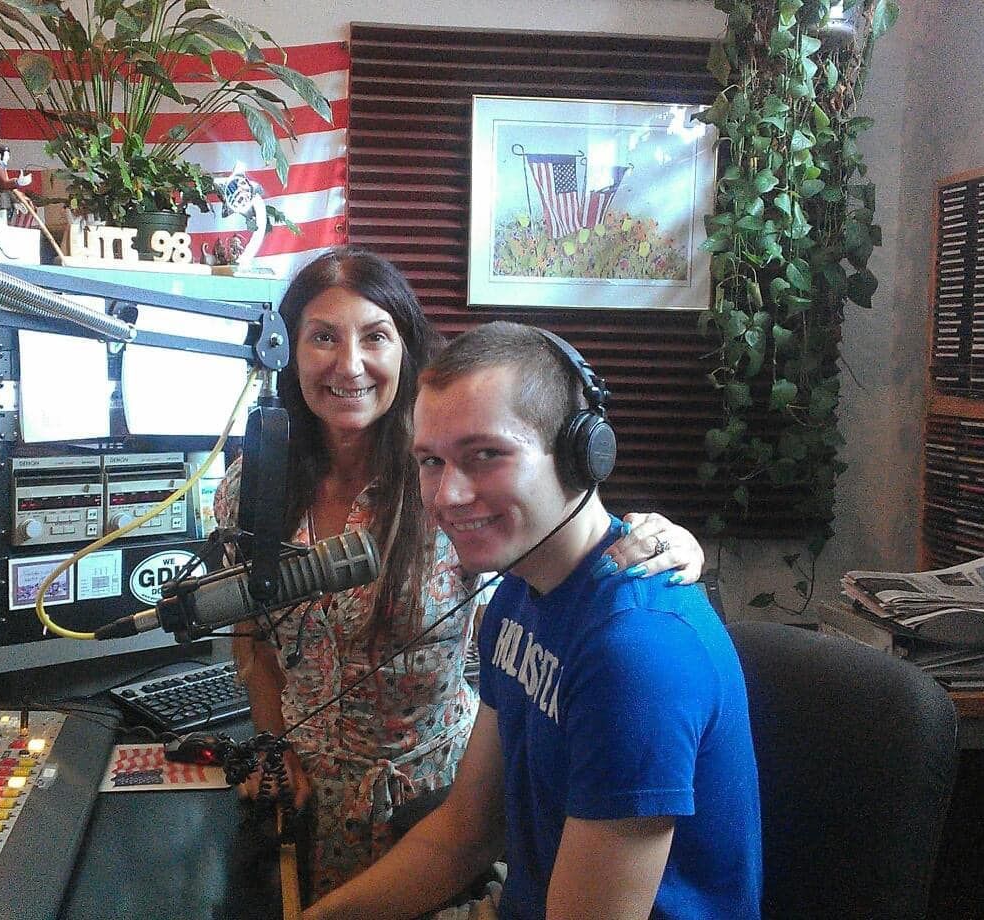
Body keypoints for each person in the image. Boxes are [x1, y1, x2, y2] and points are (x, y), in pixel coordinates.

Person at [210, 248, 709, 900]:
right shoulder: (252, 489)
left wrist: (662, 543)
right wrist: (272, 745)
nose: (349, 363)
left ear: (406, 351)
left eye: (375, 337)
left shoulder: (450, 493)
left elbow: (560, 553)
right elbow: (250, 634)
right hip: (303, 796)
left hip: (443, 798)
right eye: (322, 338)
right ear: (287, 352)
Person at [304, 321, 761, 920]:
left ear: (583, 452)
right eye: (431, 461)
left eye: (485, 455)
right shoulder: (519, 594)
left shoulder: (637, 654)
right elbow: (466, 832)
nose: (447, 495)